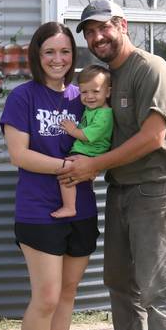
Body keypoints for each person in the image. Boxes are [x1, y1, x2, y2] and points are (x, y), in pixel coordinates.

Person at [58, 0, 166, 330]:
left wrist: (92, 165)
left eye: (102, 28)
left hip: (154, 189)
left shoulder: (151, 69)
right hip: (120, 189)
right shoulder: (107, 78)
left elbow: (152, 137)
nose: (96, 38)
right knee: (119, 278)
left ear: (121, 25)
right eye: (89, 33)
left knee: (158, 288)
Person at [0, 22, 100, 330]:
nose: (58, 60)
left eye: (65, 52)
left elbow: (100, 140)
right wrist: (67, 166)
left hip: (82, 210)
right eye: (49, 53)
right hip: (38, 210)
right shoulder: (23, 97)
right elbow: (19, 155)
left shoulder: (83, 97)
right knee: (46, 296)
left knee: (68, 294)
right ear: (37, 57)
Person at [51, 65, 113, 219]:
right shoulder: (92, 109)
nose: (89, 96)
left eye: (95, 91)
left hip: (89, 152)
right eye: (84, 92)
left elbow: (87, 135)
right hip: (87, 151)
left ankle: (69, 207)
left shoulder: (105, 115)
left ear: (108, 92)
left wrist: (71, 129)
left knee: (66, 174)